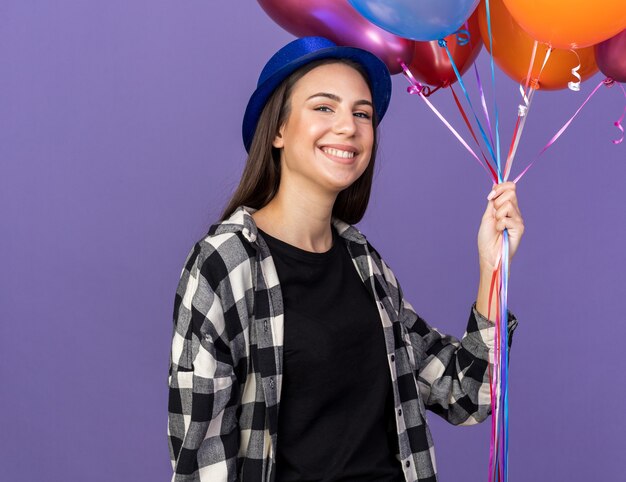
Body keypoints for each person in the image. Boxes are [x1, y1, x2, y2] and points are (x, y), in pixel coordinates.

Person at [167, 36, 523, 482]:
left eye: (362, 113)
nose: (348, 127)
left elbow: (467, 393)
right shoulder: (225, 265)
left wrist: (491, 268)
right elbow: (201, 460)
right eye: (323, 107)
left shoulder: (363, 262)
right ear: (277, 130)